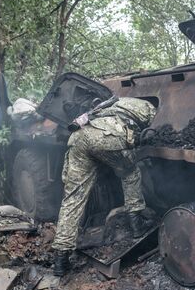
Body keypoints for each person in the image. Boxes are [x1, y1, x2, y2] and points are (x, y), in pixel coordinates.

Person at [51, 96, 156, 276]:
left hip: (80, 137)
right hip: (107, 137)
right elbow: (150, 131)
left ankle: (60, 260)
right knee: (131, 173)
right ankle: (137, 224)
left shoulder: (114, 103)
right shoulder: (149, 108)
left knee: (73, 198)